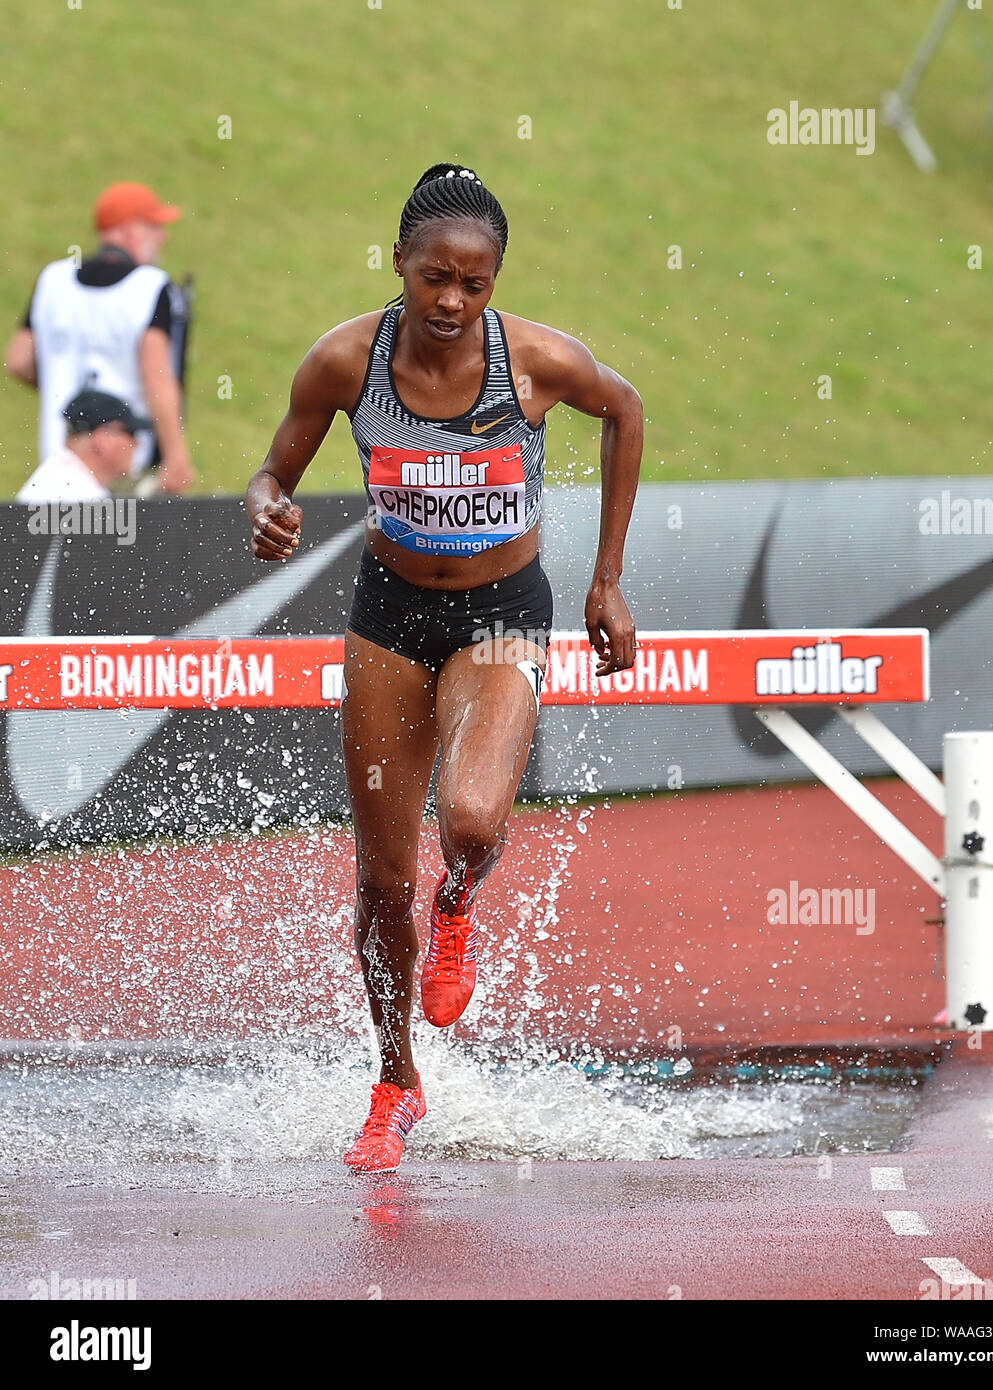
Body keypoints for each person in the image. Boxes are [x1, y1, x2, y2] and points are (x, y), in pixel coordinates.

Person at [245, 163, 642, 1173]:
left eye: (474, 283)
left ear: (497, 280)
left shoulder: (541, 363)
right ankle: (394, 1081)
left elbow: (626, 412)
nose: (452, 302)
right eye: (434, 278)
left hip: (504, 612)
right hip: (389, 617)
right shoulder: (343, 363)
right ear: (400, 266)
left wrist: (606, 582)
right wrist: (267, 509)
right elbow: (272, 471)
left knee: (467, 821)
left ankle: (459, 901)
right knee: (380, 882)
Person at [4, 181, 195, 494]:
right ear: (131, 229)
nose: (163, 237)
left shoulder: (53, 280)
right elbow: (156, 375)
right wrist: (176, 455)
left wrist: (59, 387)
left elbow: (18, 360)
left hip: (59, 453)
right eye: (155, 226)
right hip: (120, 459)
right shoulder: (150, 287)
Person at [16, 388, 148, 503]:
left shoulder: (63, 480)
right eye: (131, 433)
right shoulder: (75, 495)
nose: (137, 443)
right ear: (103, 438)